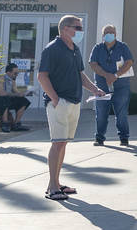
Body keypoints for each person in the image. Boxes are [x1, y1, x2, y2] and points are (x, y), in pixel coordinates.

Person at [37, 15, 106, 201]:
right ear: (65, 28)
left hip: (74, 101)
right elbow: (42, 76)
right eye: (77, 27)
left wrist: (95, 89)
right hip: (59, 103)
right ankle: (52, 187)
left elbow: (80, 74)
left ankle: (57, 183)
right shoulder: (52, 49)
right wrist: (55, 99)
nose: (80, 32)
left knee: (63, 143)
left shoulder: (74, 49)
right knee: (57, 143)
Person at [88, 24, 134, 146]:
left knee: (122, 114)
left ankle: (124, 138)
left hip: (121, 86)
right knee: (101, 113)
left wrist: (116, 75)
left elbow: (129, 62)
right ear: (103, 35)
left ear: (115, 34)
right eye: (107, 32)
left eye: (112, 32)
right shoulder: (97, 48)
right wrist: (106, 75)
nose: (109, 34)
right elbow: (93, 64)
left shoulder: (123, 47)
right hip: (102, 86)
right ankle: (99, 138)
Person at [0, 63, 31, 132]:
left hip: (6, 99)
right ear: (8, 72)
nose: (17, 75)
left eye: (17, 73)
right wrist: (15, 94)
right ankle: (5, 123)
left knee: (24, 101)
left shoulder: (12, 80)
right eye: (15, 73)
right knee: (5, 99)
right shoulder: (1, 78)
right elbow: (1, 93)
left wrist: (23, 93)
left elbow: (15, 91)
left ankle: (16, 123)